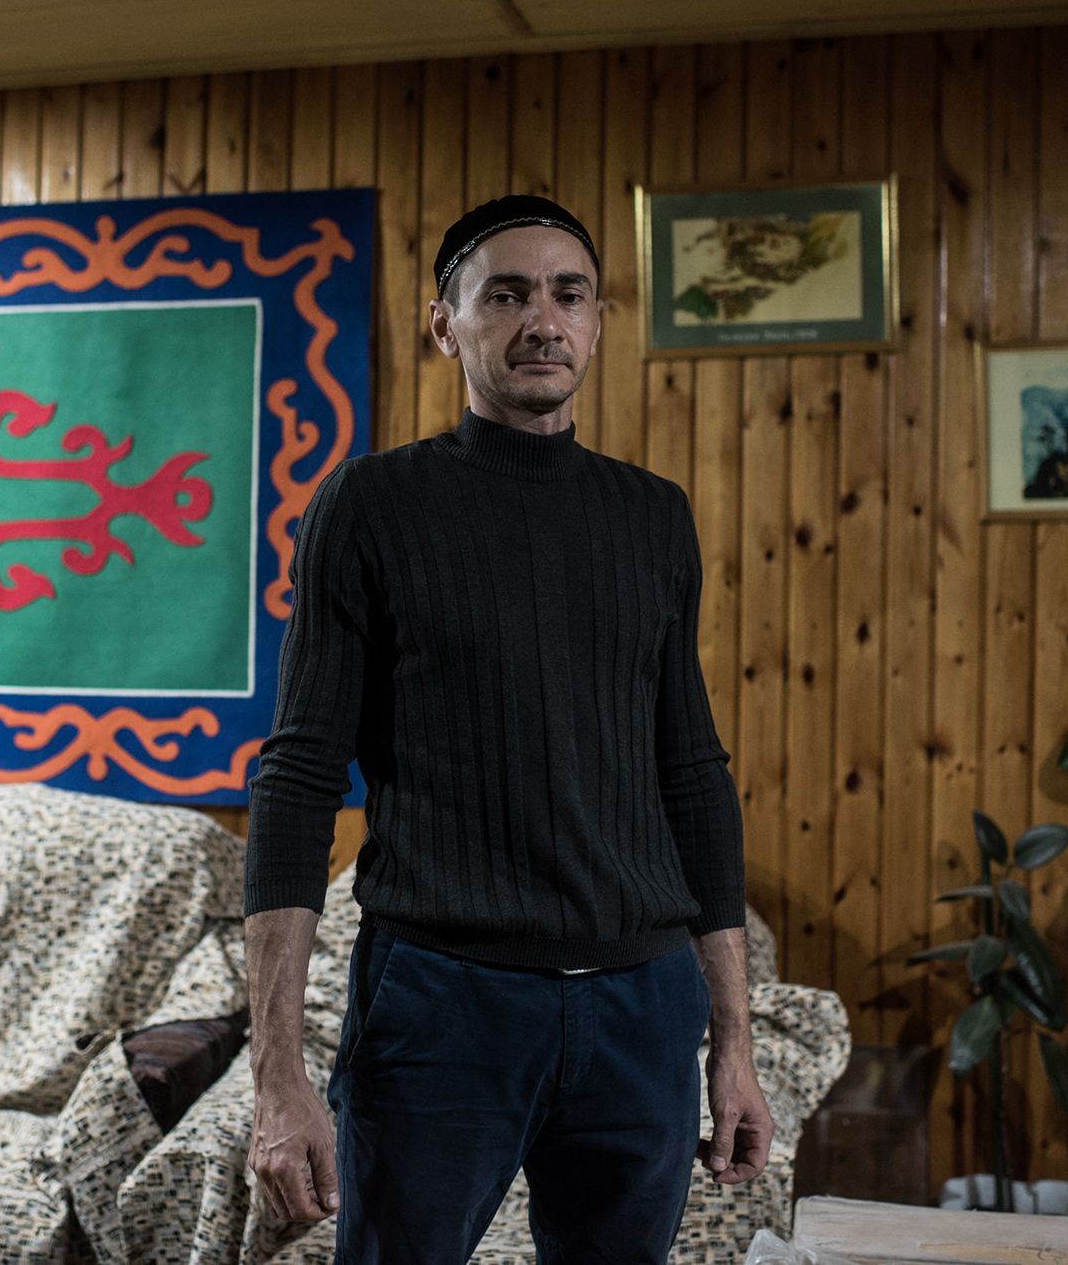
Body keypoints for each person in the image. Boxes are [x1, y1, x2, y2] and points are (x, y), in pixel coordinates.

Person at [243, 193, 772, 1264]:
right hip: (442, 1002)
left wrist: (733, 1042)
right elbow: (298, 778)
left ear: (598, 322)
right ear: (447, 326)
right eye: (508, 295)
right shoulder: (372, 505)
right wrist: (276, 1074)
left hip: (641, 1005)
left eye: (569, 295)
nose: (543, 320)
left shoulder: (653, 516)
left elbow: (691, 774)